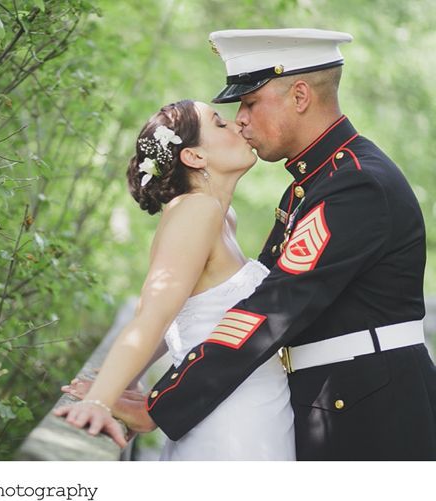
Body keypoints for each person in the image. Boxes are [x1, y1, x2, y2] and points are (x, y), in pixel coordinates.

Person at [111, 29, 436, 460]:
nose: (240, 119)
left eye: (249, 102)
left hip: (373, 413)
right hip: (333, 399)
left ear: (299, 96)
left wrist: (163, 400)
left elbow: (270, 310)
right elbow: (252, 300)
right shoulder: (310, 186)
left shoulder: (354, 184)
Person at [53, 100, 295, 460]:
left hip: (257, 410)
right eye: (219, 123)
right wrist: (100, 400)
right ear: (195, 157)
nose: (238, 124)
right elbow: (153, 314)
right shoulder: (195, 211)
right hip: (230, 431)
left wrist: (131, 375)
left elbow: (190, 311)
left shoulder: (223, 215)